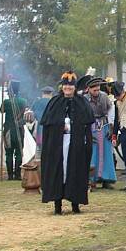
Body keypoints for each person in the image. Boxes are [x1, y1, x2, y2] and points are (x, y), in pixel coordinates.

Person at [40, 72, 94, 214]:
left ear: (75, 87)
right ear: (62, 86)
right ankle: (57, 205)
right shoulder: (54, 102)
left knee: (75, 171)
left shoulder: (82, 102)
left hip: (75, 144)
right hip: (57, 144)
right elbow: (48, 124)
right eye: (65, 85)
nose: (67, 88)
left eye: (70, 85)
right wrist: (61, 125)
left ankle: (75, 204)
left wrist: (73, 126)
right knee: (58, 172)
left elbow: (87, 124)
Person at [85, 77, 117, 189]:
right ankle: (91, 179)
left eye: (98, 89)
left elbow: (111, 111)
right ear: (88, 89)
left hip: (104, 126)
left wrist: (111, 128)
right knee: (92, 153)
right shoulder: (84, 99)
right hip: (90, 126)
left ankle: (106, 179)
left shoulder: (104, 96)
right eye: (94, 90)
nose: (97, 92)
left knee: (106, 152)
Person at [1, 80, 28, 180]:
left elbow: (1, 110)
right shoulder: (23, 101)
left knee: (9, 153)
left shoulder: (6, 102)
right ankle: (17, 175)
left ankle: (10, 176)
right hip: (19, 130)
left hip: (8, 131)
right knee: (19, 152)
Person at [31, 86, 54, 152]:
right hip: (50, 127)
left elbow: (32, 114)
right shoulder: (53, 102)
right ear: (51, 93)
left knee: (40, 148)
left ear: (42, 93)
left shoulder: (37, 102)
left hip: (39, 126)